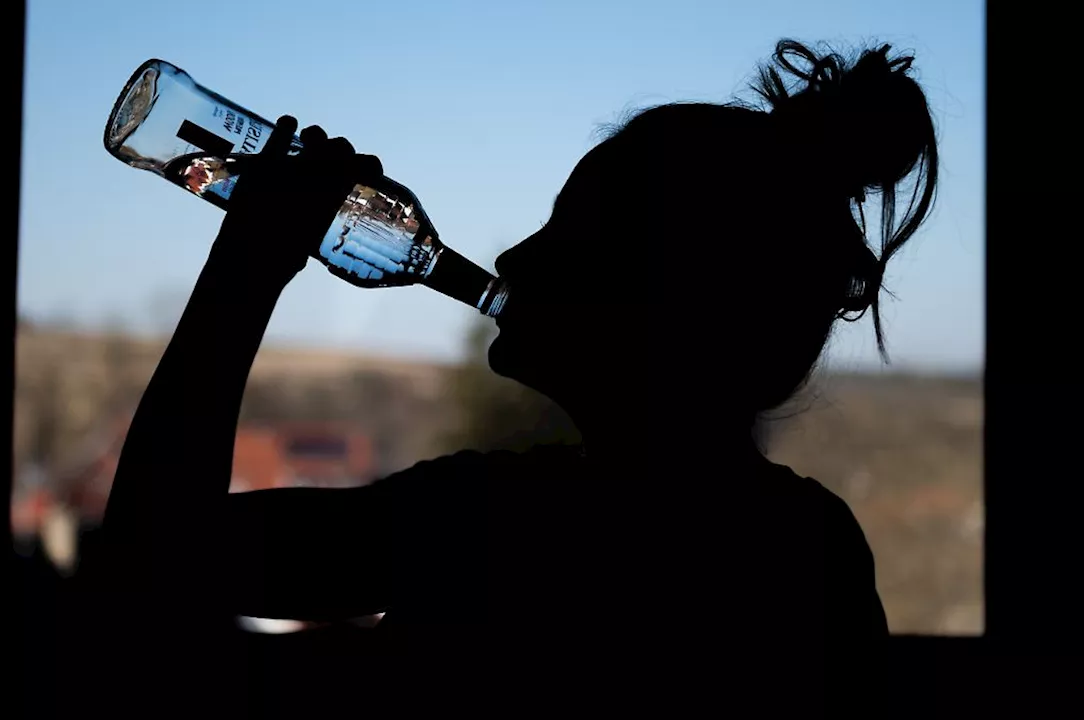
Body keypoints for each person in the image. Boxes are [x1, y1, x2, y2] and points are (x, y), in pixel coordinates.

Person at [96, 39, 938, 708]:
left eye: (568, 234)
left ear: (662, 298)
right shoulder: (811, 544)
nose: (511, 255)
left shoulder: (489, 521)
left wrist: (245, 268)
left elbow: (153, 560)